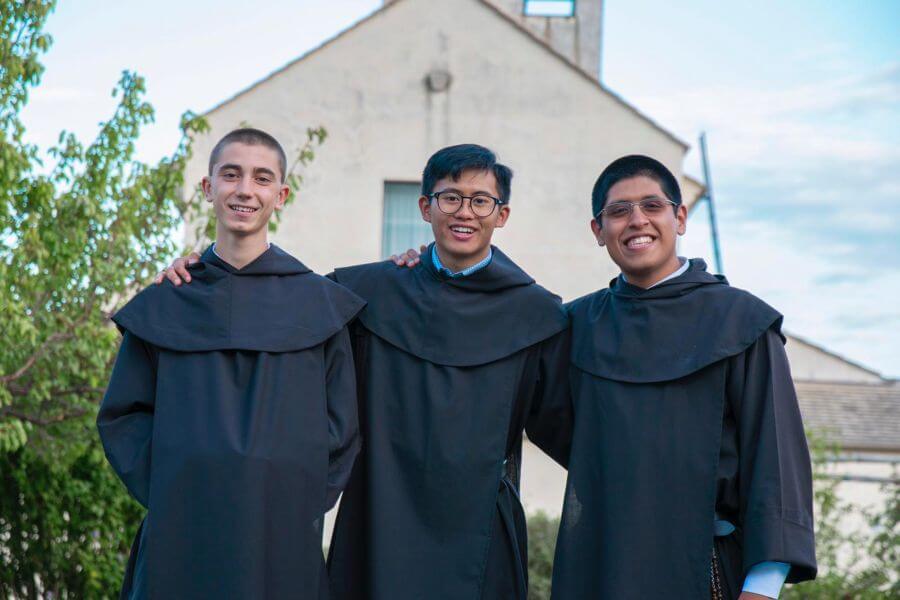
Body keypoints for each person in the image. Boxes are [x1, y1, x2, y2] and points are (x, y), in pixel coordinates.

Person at [160, 144, 573, 599]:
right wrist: (204, 273)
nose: (465, 212)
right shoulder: (365, 292)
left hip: (478, 527)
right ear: (425, 207)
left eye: (481, 201)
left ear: (502, 214)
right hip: (378, 516)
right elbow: (273, 308)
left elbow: (564, 426)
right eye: (450, 197)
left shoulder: (538, 315)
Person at [98, 128, 365, 599]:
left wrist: (292, 494)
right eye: (231, 175)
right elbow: (124, 416)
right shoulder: (167, 302)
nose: (245, 189)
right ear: (207, 188)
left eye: (262, 178)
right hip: (183, 528)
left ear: (280, 195)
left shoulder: (318, 305)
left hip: (281, 531)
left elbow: (341, 428)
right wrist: (179, 484)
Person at [550, 155, 816, 599]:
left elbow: (776, 462)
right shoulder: (575, 327)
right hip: (600, 567)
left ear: (680, 218)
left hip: (710, 568)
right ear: (598, 232)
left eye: (652, 206)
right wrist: (426, 271)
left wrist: (763, 587)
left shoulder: (740, 321)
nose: (637, 221)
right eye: (619, 211)